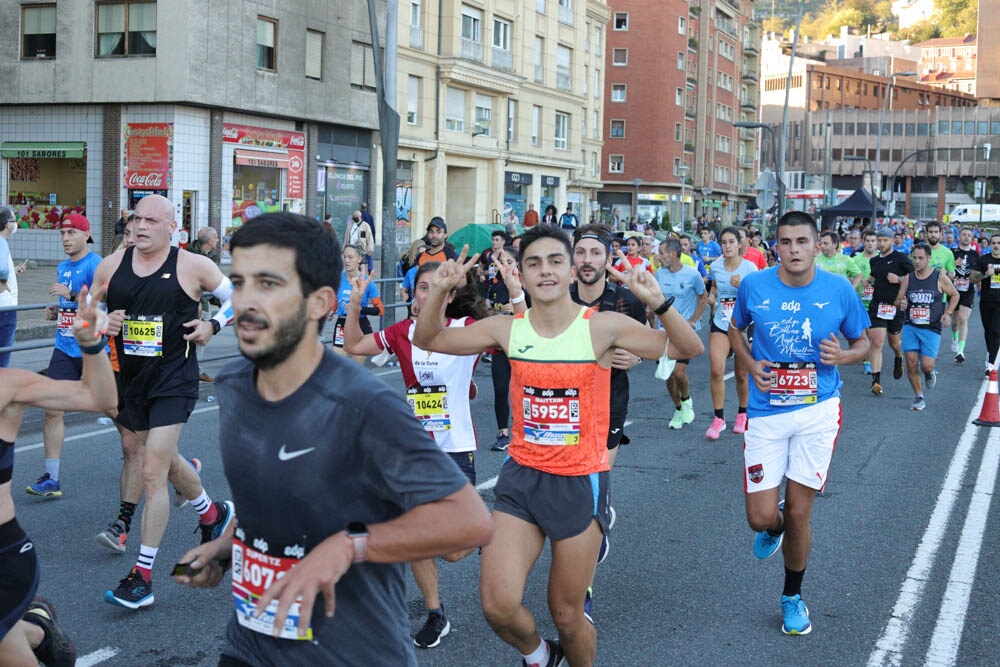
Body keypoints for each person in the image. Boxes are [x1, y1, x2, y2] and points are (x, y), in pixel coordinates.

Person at [173, 212, 492, 665]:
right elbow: (267, 494)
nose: (245, 302)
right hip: (250, 643)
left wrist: (348, 546)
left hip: (349, 653)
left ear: (321, 302)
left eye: (268, 284)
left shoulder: (363, 406)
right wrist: (224, 550)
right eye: (239, 282)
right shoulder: (236, 383)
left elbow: (471, 524)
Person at [413, 226, 703, 666]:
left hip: (579, 480)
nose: (544, 271)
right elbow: (428, 338)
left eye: (554, 261)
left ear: (570, 271)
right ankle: (539, 655)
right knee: (498, 605)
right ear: (521, 275)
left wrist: (656, 302)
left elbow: (688, 347)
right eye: (534, 263)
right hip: (520, 479)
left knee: (567, 614)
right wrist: (441, 292)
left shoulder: (602, 327)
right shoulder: (507, 329)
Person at [345, 256, 507, 650]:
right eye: (422, 287)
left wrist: (516, 292)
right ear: (412, 293)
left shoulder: (466, 330)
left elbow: (518, 334)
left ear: (451, 295)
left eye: (437, 288)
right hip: (413, 449)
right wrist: (352, 305)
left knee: (452, 553)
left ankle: (490, 531)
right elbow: (353, 346)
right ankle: (436, 614)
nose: (428, 294)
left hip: (455, 448)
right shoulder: (402, 331)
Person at [729, 211, 870, 636]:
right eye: (786, 242)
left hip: (818, 411)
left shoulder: (839, 288)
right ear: (776, 246)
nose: (794, 250)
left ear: (818, 245)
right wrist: (752, 365)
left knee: (802, 514)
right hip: (767, 413)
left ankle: (792, 596)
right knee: (759, 517)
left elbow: (864, 342)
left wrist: (844, 357)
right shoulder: (755, 285)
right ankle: (775, 524)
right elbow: (735, 329)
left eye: (802, 242)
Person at [93, 194, 235, 609]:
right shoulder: (111, 266)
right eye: (136, 218)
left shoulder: (193, 265)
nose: (140, 226)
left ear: (173, 227)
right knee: (160, 456)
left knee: (153, 469)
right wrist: (103, 322)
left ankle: (142, 577)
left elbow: (235, 300)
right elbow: (85, 314)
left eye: (152, 220)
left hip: (174, 379)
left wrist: (212, 324)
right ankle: (211, 513)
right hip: (129, 380)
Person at [0, 285, 114, 667]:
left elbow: (100, 400)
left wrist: (91, 343)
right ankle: (36, 628)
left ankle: (34, 629)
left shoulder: (5, 387)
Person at [25, 214, 108, 499]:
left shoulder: (96, 264)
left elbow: (105, 303)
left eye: (71, 232)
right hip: (64, 346)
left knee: (118, 414)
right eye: (62, 233)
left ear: (86, 235)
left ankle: (170, 464)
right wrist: (57, 311)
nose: (65, 238)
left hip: (93, 349)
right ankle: (52, 478)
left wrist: (71, 295)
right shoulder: (62, 266)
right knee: (51, 409)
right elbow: (71, 306)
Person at [570, 225, 646, 469]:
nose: (587, 260)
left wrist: (637, 358)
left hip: (610, 398)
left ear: (609, 258)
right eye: (580, 252)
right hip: (564, 400)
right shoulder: (557, 299)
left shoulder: (628, 300)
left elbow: (647, 344)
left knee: (598, 476)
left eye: (595, 253)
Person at [705, 227, 757, 438]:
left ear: (739, 244)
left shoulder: (750, 268)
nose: (727, 246)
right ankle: (718, 419)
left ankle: (742, 414)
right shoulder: (716, 266)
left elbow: (758, 296)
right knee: (717, 370)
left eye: (731, 242)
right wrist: (712, 296)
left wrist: (743, 286)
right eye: (723, 242)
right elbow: (715, 287)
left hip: (743, 324)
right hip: (721, 322)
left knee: (742, 374)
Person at [654, 238, 709, 434]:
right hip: (663, 331)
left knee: (678, 372)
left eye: (662, 253)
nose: (658, 257)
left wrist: (693, 320)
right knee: (667, 375)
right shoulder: (659, 274)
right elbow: (654, 299)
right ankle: (678, 409)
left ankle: (686, 400)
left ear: (673, 254)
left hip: (685, 331)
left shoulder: (692, 274)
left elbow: (704, 298)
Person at [901, 244, 959, 410]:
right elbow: (898, 300)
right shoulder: (908, 278)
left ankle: (928, 372)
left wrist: (947, 313)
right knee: (911, 363)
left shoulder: (939, 277)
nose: (917, 261)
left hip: (931, 326)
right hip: (911, 325)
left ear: (928, 259)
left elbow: (955, 295)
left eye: (921, 258)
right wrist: (901, 303)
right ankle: (919, 396)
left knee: (926, 365)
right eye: (915, 258)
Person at [865, 227, 914, 395]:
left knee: (894, 343)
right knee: (877, 341)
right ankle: (875, 381)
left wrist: (899, 279)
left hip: (895, 306)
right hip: (878, 304)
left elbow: (914, 276)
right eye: (880, 240)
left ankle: (898, 357)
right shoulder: (875, 261)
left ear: (892, 241)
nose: (881, 243)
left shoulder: (901, 259)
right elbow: (875, 276)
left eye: (885, 240)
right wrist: (868, 281)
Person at [332, 244, 383, 365]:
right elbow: (335, 300)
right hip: (342, 323)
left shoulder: (367, 282)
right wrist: (331, 309)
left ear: (359, 259)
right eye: (344, 257)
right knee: (337, 366)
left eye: (350, 257)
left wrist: (359, 309)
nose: (346, 260)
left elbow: (380, 310)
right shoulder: (337, 279)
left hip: (360, 324)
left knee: (358, 368)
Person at [186, 226, 222, 383]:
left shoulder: (197, 254)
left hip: (202, 303)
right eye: (216, 238)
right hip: (199, 305)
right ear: (209, 241)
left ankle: (194, 369)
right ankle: (195, 371)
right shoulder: (200, 258)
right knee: (198, 338)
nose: (218, 241)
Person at [852, 228, 879, 375]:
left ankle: (870, 360)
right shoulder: (855, 260)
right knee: (864, 334)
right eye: (867, 241)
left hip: (876, 302)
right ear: (863, 242)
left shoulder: (881, 260)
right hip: (859, 303)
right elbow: (850, 277)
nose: (870, 244)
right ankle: (868, 361)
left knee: (873, 334)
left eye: (873, 241)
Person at [972, 232, 1000, 374]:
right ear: (990, 245)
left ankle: (991, 364)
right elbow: (972, 278)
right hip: (986, 300)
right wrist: (985, 274)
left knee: (996, 331)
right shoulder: (983, 259)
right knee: (989, 331)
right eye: (994, 243)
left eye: (999, 243)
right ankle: (991, 353)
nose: (996, 246)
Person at [950, 227, 978, 363]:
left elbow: (978, 274)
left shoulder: (976, 255)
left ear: (972, 238)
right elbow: (946, 270)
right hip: (953, 291)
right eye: (964, 235)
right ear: (959, 237)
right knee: (954, 322)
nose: (966, 237)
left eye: (969, 235)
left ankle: (961, 351)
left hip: (968, 291)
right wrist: (953, 265)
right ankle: (955, 338)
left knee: (963, 319)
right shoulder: (952, 252)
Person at [0, 207, 19, 368]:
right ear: (7, 225)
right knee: (3, 358)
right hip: (5, 307)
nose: (16, 224)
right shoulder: (2, 243)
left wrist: (13, 272)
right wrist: (4, 284)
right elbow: (2, 269)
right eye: (13, 220)